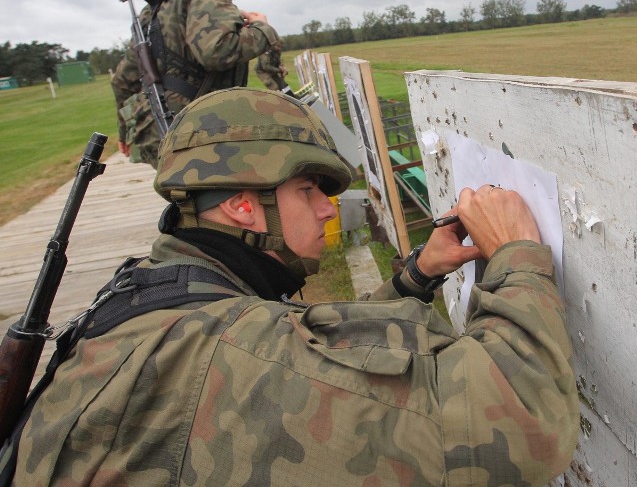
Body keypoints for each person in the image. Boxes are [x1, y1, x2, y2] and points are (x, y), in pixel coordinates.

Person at [15, 88, 579, 486]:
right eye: (308, 189)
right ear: (243, 207)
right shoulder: (230, 350)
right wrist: (516, 255)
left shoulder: (156, 289)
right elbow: (523, 421)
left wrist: (416, 276)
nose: (327, 211)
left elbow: (313, 347)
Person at [112, 0, 279, 167]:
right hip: (200, 133)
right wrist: (262, 30)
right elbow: (218, 52)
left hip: (155, 134)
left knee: (189, 203)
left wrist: (123, 132)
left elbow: (121, 80)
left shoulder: (155, 8)